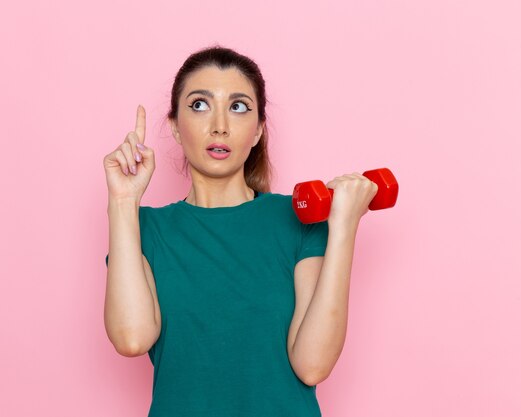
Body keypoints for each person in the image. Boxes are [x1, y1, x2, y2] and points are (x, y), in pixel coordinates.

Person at [103, 45, 378, 417]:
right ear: (174, 127)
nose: (220, 124)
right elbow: (132, 338)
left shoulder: (297, 220)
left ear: (258, 130)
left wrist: (343, 227)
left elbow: (312, 365)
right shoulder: (146, 229)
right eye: (200, 105)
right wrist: (122, 201)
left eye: (238, 106)